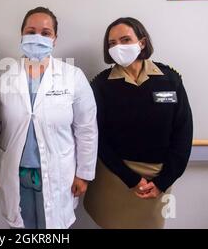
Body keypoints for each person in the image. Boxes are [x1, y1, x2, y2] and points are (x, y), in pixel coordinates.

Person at [0, 7, 98, 229]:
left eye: (46, 33)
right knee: (21, 227)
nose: (38, 38)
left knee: (53, 228)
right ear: (21, 35)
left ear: (55, 39)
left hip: (59, 173)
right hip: (15, 173)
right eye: (31, 31)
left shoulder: (73, 77)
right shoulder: (4, 76)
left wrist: (84, 174)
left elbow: (86, 129)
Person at [83, 17, 193, 229]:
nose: (118, 47)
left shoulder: (169, 79)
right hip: (114, 177)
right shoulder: (101, 85)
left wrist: (163, 181)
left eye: (125, 40)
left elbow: (183, 131)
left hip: (158, 177)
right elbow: (98, 137)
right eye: (112, 43)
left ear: (141, 42)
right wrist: (130, 179)